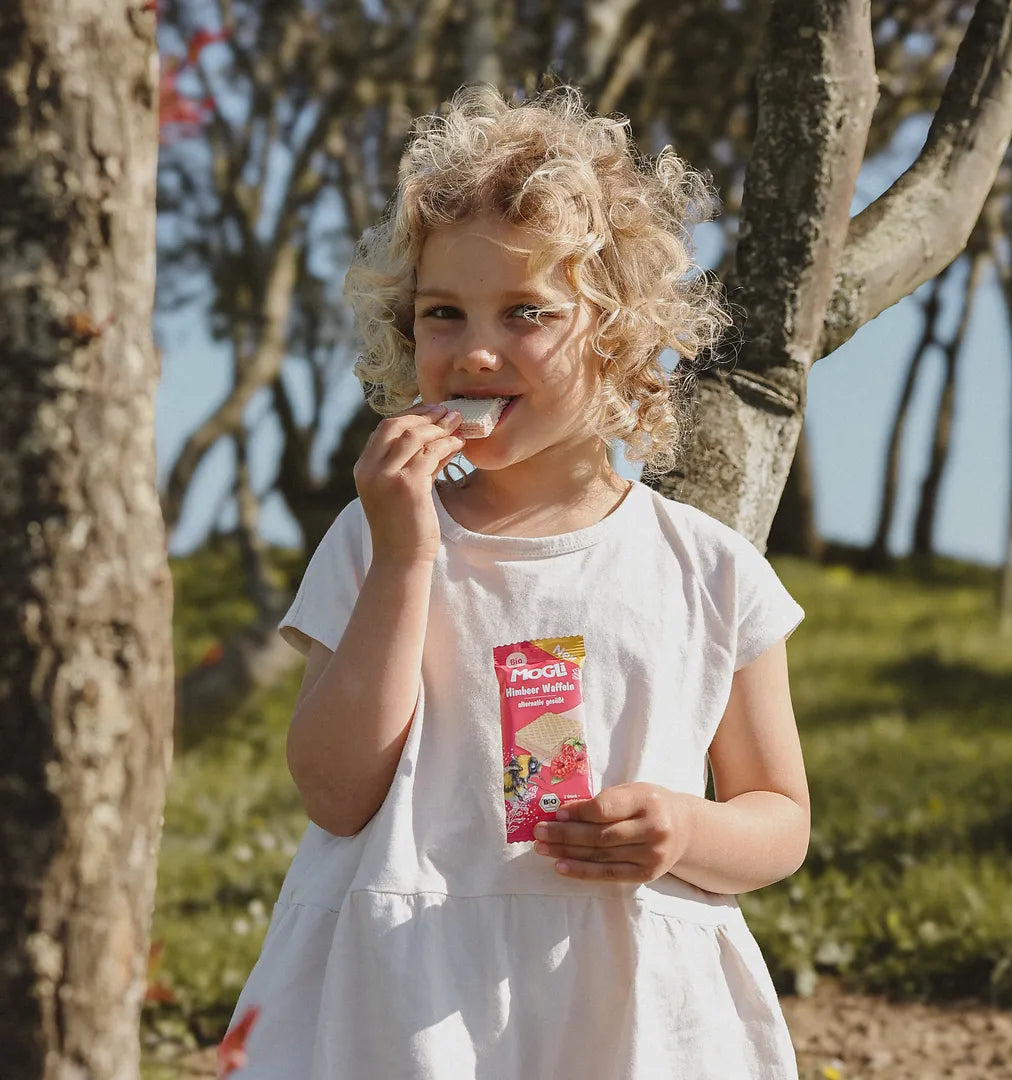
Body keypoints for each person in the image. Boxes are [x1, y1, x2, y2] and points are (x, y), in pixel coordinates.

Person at [225, 83, 810, 1079]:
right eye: (442, 313)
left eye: (527, 311)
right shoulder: (375, 540)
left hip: (621, 1003)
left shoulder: (709, 570)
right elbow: (334, 791)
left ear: (620, 336)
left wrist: (687, 828)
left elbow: (780, 816)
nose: (476, 350)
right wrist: (407, 555)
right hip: (402, 996)